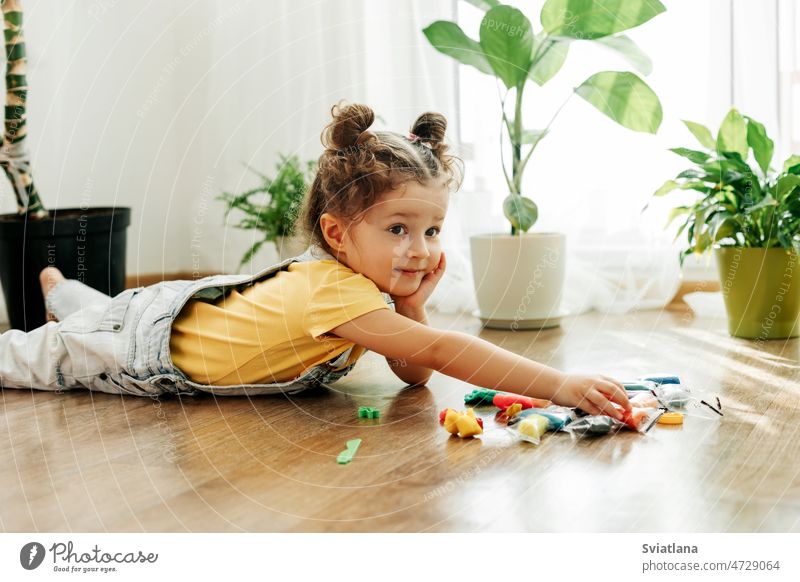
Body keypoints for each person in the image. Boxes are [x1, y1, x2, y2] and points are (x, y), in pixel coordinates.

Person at [0, 101, 630, 420]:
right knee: (39, 357)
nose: (420, 248)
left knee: (99, 311)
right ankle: (67, 305)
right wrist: (559, 386)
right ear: (337, 233)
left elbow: (411, 374)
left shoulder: (365, 292)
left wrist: (412, 303)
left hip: (157, 313)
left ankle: (65, 292)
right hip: (143, 349)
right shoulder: (332, 292)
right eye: (398, 229)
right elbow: (437, 357)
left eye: (433, 229)